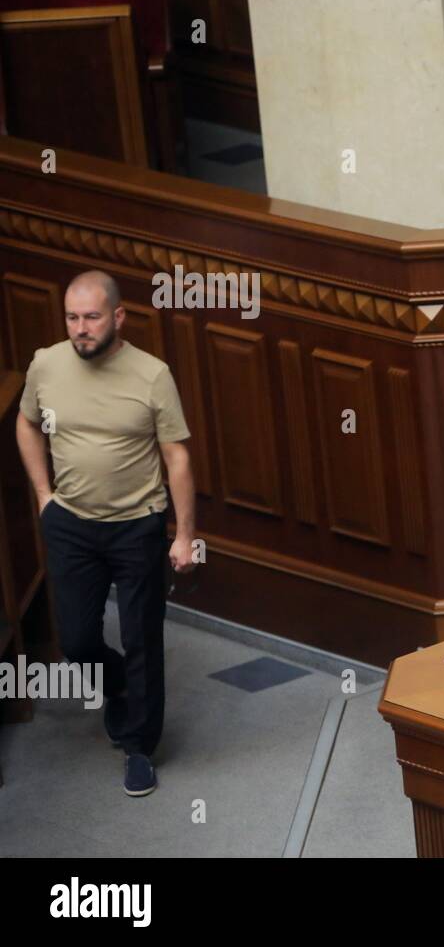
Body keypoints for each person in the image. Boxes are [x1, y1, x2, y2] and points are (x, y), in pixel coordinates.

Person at [15, 270, 196, 797]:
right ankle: (118, 686)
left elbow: (177, 456)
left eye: (91, 317)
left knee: (142, 637)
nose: (80, 329)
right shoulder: (46, 364)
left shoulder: (151, 374)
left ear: (118, 317)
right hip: (71, 524)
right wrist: (43, 494)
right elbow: (26, 423)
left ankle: (138, 747)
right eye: (72, 317)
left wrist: (184, 536)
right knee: (76, 641)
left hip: (137, 526)